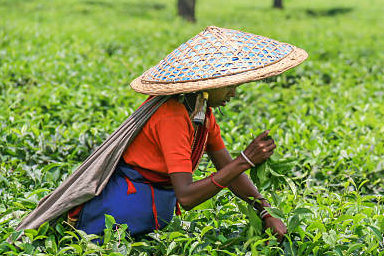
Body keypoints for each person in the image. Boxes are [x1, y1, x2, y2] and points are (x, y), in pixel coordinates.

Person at [67, 26, 308, 242]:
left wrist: (264, 210)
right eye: (229, 85)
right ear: (206, 84)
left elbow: (226, 167)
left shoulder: (202, 115)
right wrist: (244, 161)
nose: (233, 93)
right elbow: (187, 197)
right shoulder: (172, 116)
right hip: (119, 216)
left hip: (150, 211)